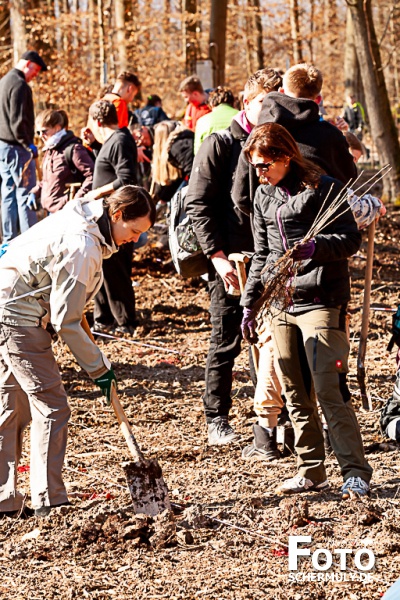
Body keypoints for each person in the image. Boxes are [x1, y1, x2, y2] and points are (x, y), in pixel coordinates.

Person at [0, 185, 155, 518]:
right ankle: (49, 499)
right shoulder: (82, 245)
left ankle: (4, 498)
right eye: (134, 231)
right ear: (116, 215)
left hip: (9, 301)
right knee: (52, 406)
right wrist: (99, 368)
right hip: (16, 315)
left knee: (13, 407)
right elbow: (67, 320)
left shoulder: (86, 218)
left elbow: (68, 303)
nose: (135, 240)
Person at [240, 122, 373, 498]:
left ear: (284, 157)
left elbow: (349, 240)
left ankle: (355, 471)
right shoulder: (264, 198)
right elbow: (263, 254)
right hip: (280, 303)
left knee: (329, 387)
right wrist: (249, 305)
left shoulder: (324, 188)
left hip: (320, 300)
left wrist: (316, 248)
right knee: (294, 390)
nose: (259, 174)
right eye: (254, 167)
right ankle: (311, 469)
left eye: (264, 166)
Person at [184, 68, 282, 445]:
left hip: (271, 259)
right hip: (231, 259)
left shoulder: (277, 144)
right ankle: (217, 417)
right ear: (247, 102)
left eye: (277, 103)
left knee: (273, 341)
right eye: (264, 104)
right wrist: (218, 256)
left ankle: (274, 417)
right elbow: (199, 203)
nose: (270, 110)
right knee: (226, 338)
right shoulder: (221, 144)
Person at [232, 63, 357, 217]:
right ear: (318, 99)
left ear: (282, 91)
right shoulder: (331, 136)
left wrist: (266, 220)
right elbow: (348, 180)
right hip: (320, 230)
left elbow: (241, 194)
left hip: (273, 229)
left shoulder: (261, 132)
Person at [85, 100, 139, 335]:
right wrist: (93, 146)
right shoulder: (111, 142)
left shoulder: (120, 140)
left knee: (116, 271)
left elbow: (126, 178)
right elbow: (110, 168)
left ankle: (125, 322)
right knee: (103, 269)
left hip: (118, 219)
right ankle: (104, 319)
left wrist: (97, 192)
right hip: (106, 219)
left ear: (97, 122)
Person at [0, 50, 47, 241]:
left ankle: (9, 240)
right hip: (17, 147)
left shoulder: (3, 81)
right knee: (25, 194)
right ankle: (30, 241)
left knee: (8, 193)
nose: (34, 76)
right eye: (35, 71)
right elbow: (18, 121)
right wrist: (28, 144)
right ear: (27, 64)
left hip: (3, 146)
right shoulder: (19, 85)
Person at [29, 109, 94, 213]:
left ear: (57, 128)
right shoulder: (50, 149)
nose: (41, 135)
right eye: (38, 132)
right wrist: (35, 192)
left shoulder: (74, 149)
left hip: (66, 212)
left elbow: (92, 175)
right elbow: (48, 180)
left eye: (44, 131)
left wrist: (75, 200)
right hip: (51, 211)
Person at [194, 86, 238, 154]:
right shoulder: (241, 116)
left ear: (211, 104)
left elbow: (197, 152)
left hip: (212, 159)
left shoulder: (202, 121)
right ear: (232, 102)